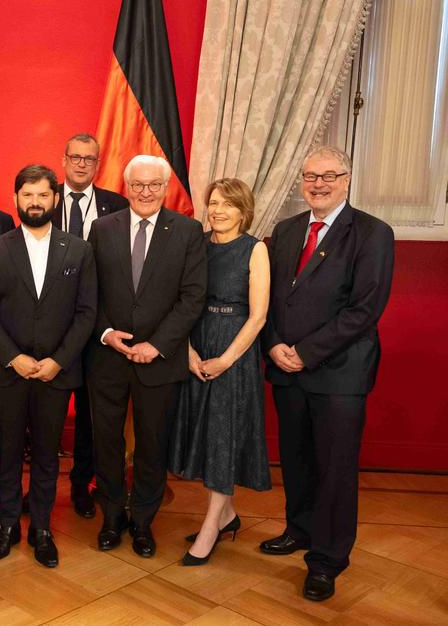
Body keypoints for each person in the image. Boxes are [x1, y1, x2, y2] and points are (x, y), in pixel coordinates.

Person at [260, 145, 394, 602]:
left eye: (329, 176)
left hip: (339, 374)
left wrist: (305, 351)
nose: (318, 183)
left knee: (335, 470)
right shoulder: (286, 230)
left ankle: (327, 560)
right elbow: (270, 298)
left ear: (347, 179)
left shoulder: (373, 233)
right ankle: (299, 529)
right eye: (310, 176)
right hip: (286, 368)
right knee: (296, 460)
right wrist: (274, 343)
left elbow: (365, 310)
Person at [0, 165, 96, 568]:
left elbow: (86, 314)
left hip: (55, 374)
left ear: (55, 199)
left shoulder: (78, 249)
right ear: (15, 199)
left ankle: (42, 528)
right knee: (7, 453)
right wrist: (14, 357)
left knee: (47, 455)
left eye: (43, 195)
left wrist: (57, 362)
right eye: (27, 195)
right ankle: (7, 526)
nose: (35, 202)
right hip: (8, 372)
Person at [88, 154, 206, 558]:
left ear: (167, 186)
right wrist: (105, 333)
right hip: (107, 358)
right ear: (126, 187)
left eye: (154, 185)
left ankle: (142, 522)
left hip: (160, 360)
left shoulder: (189, 231)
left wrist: (156, 345)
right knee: (106, 442)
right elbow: (90, 293)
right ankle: (111, 517)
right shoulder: (102, 229)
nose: (145, 192)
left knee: (152, 445)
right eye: (137, 185)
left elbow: (193, 298)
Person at [168, 178, 271, 566]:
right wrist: (189, 351)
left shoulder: (255, 249)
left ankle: (211, 526)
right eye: (213, 203)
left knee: (224, 438)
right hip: (196, 344)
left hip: (235, 350)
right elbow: (183, 300)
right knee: (205, 435)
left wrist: (227, 359)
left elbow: (259, 315)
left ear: (244, 210)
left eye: (227, 204)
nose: (218, 210)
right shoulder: (197, 244)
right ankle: (226, 515)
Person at [52, 133, 129, 518]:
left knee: (89, 415)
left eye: (90, 159)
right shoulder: (42, 198)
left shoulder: (117, 205)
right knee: (43, 411)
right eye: (75, 157)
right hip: (49, 328)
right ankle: (41, 487)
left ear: (98, 164)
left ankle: (82, 485)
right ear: (63, 160)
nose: (82, 164)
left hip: (98, 328)